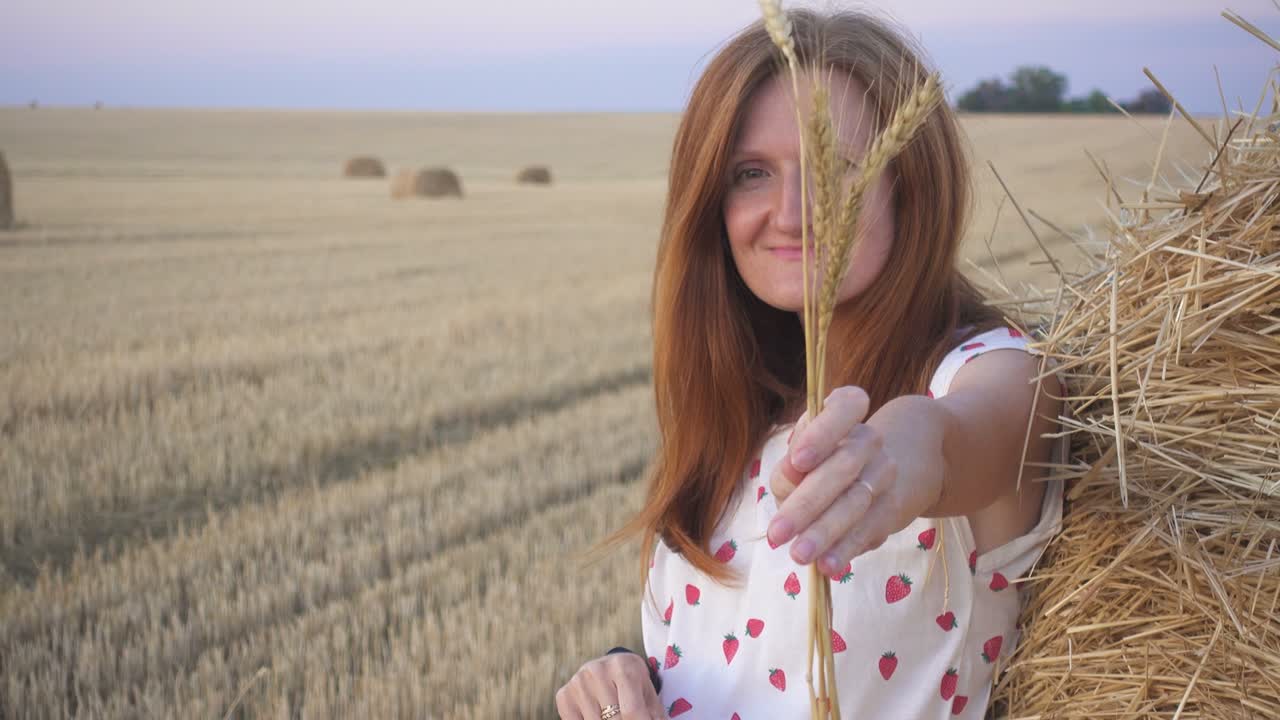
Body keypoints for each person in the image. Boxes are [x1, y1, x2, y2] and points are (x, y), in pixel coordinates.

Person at [556, 8, 1067, 720]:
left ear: (910, 186)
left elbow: (973, 428)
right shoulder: (739, 426)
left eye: (838, 169)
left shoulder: (983, 371)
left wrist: (914, 444)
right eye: (751, 173)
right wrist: (621, 675)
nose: (792, 212)